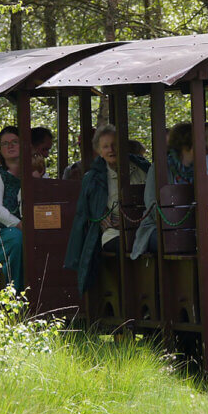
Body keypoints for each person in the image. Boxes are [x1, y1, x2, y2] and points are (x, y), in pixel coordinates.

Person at [64, 124, 147, 294]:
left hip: (144, 228)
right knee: (128, 244)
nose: (111, 149)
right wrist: (101, 218)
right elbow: (84, 215)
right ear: (99, 151)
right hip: (112, 233)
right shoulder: (93, 178)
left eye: (115, 144)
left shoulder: (142, 168)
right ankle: (132, 297)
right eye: (106, 146)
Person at [131, 122, 195, 259]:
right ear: (186, 145)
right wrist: (181, 223)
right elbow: (152, 205)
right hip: (157, 228)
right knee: (179, 240)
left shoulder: (201, 168)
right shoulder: (160, 168)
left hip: (193, 228)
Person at [0, 125, 24, 291]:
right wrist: (19, 224)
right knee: (18, 240)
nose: (10, 146)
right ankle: (17, 297)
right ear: (0, 150)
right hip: (5, 233)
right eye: (5, 143)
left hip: (35, 227)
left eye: (15, 142)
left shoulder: (35, 171)